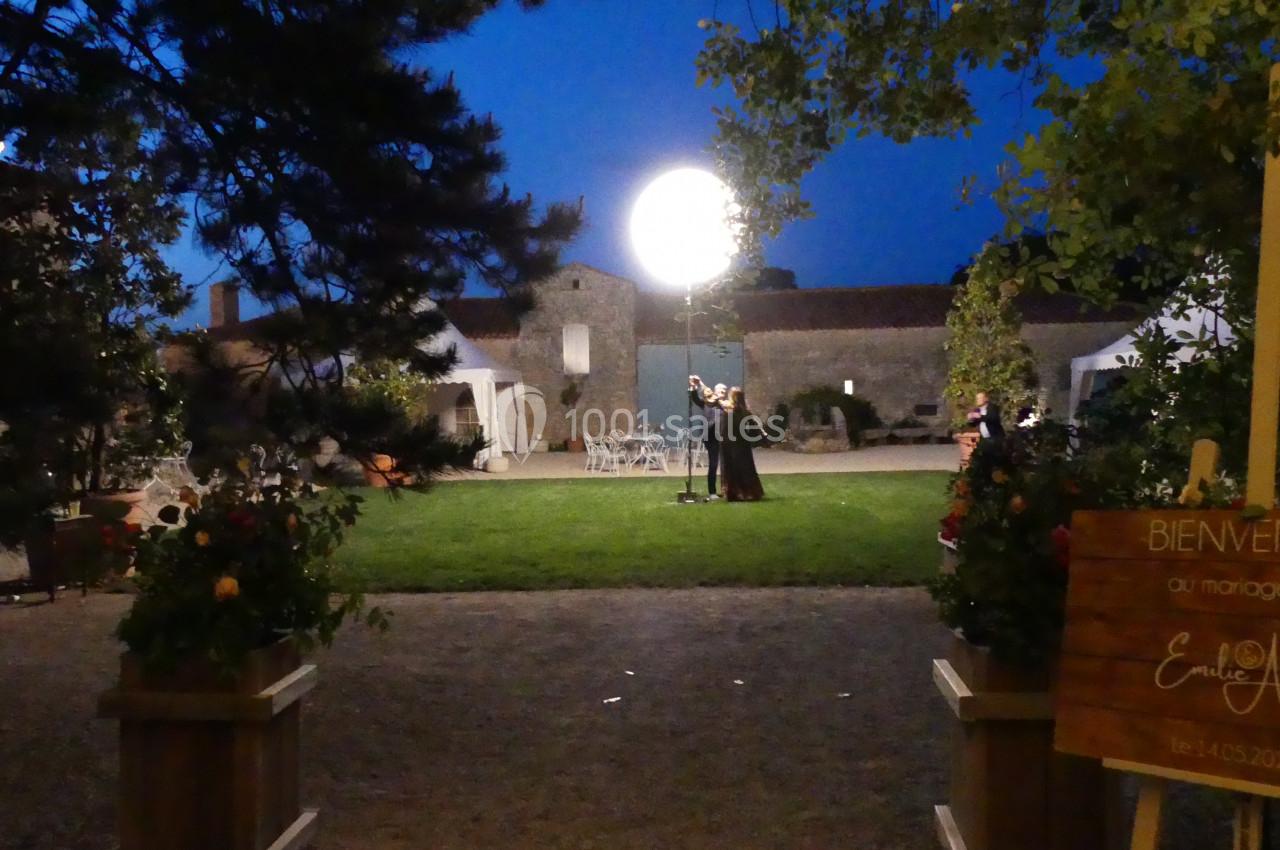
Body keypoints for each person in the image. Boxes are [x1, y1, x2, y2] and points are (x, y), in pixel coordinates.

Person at [720, 387, 765, 502]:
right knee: (746, 468)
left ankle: (733, 492)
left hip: (729, 445)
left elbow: (724, 430)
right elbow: (755, 430)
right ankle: (749, 491)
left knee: (731, 469)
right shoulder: (746, 413)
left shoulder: (728, 413)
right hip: (742, 445)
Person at [689, 375, 726, 500]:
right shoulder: (706, 404)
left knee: (726, 465)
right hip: (711, 438)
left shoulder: (722, 404)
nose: (723, 393)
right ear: (715, 392)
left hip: (723, 437)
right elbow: (695, 397)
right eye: (721, 391)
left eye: (725, 391)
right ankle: (712, 492)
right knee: (714, 464)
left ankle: (726, 489)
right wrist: (695, 385)